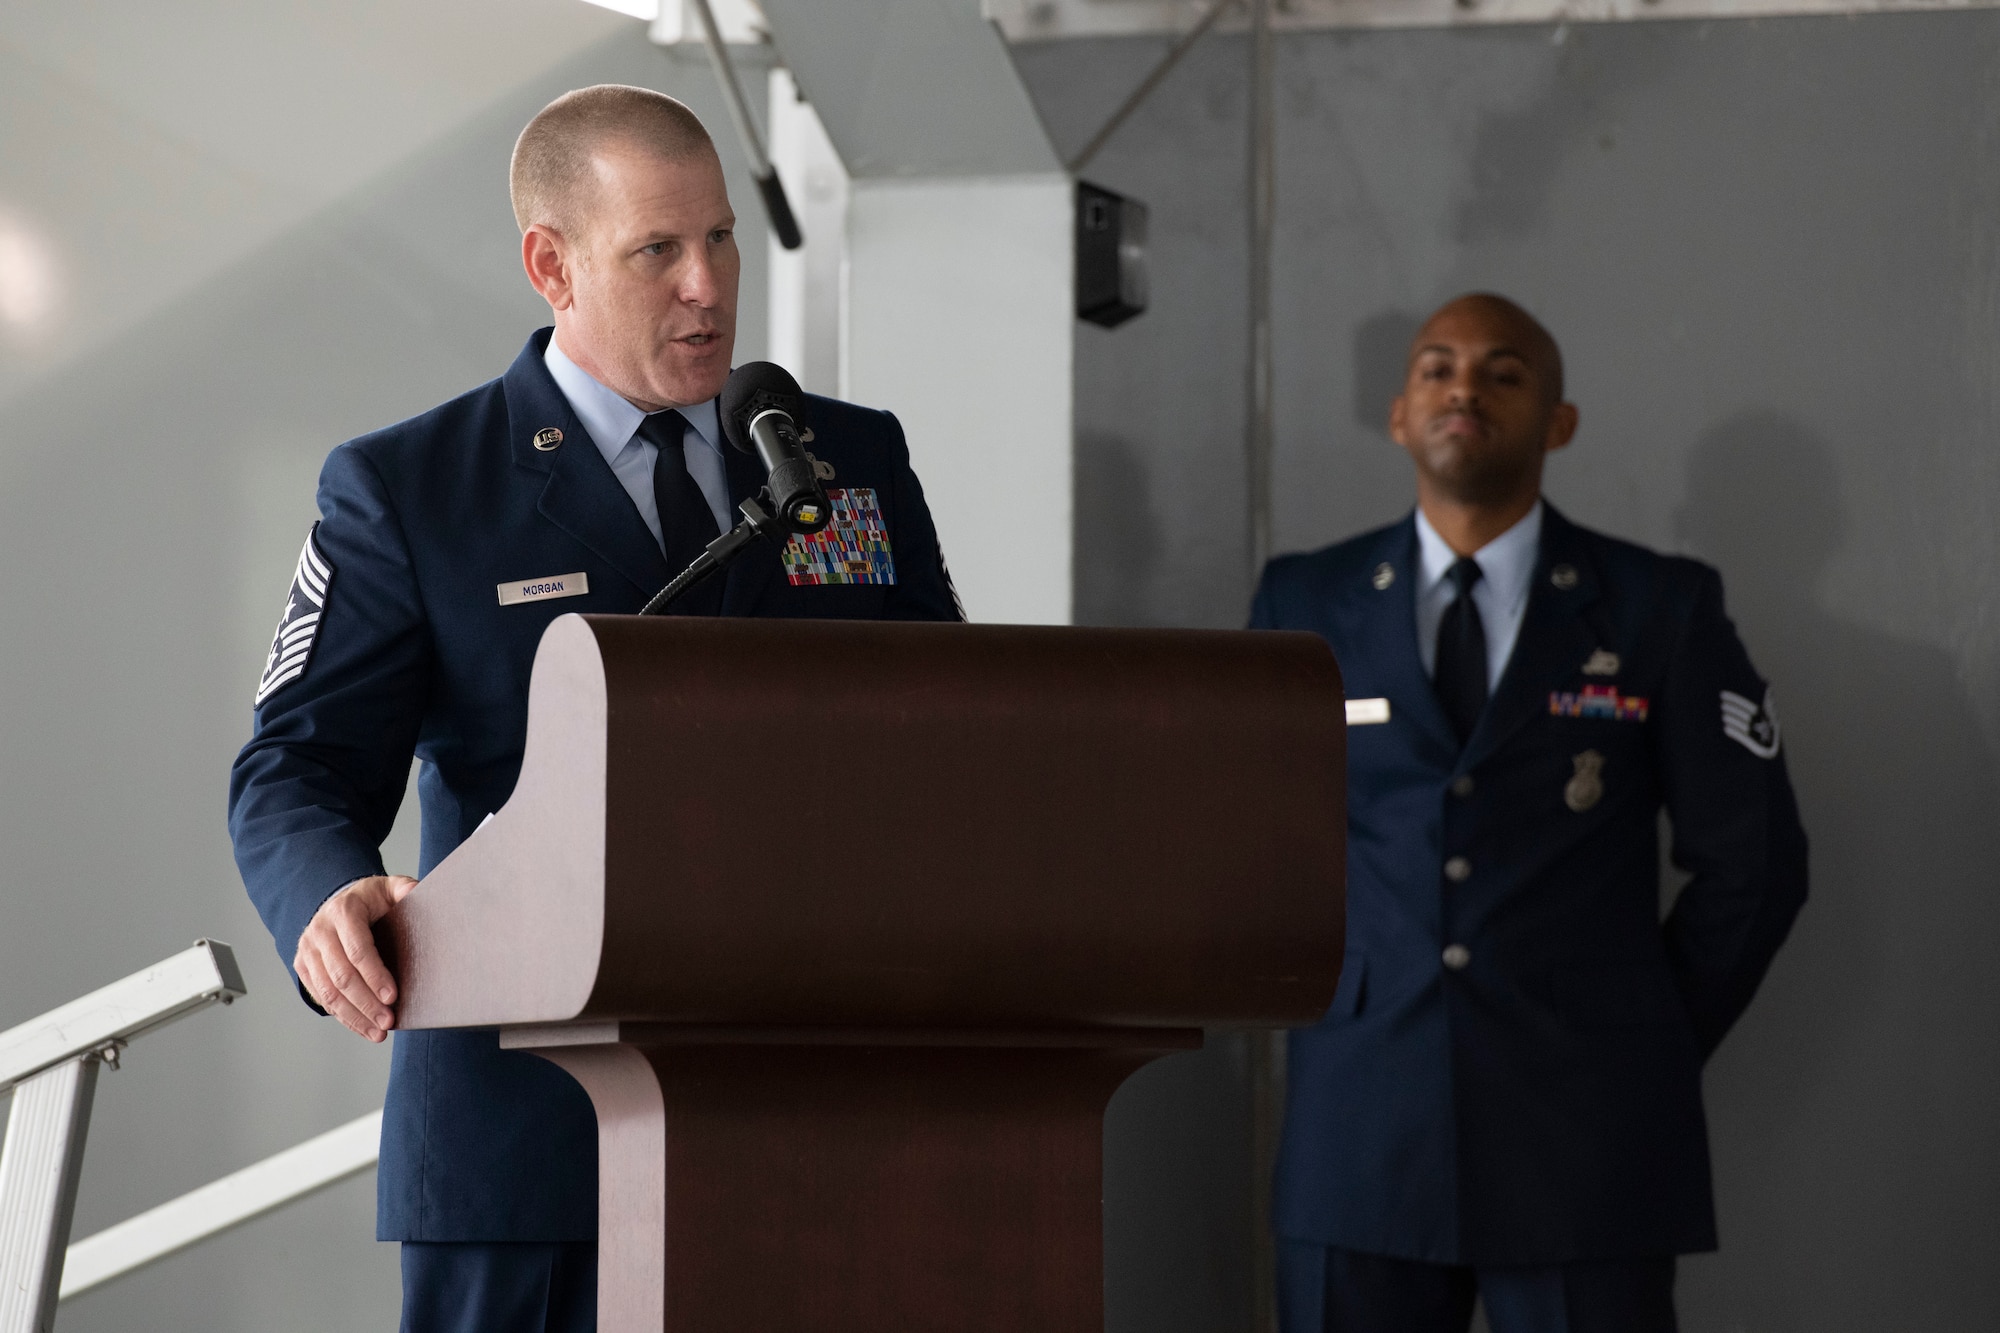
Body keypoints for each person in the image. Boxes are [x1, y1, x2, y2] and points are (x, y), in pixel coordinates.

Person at [228, 85, 961, 1332]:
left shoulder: (838, 460)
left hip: (803, 1115)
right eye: (658, 250)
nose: (707, 286)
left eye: (721, 238)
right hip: (525, 1146)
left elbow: (946, 726)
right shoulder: (413, 488)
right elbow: (295, 765)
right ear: (550, 265)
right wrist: (324, 900)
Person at [1251, 293, 1807, 1333]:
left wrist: (1638, 1037)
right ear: (1397, 413)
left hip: (1584, 1135)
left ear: (1557, 421)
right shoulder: (1301, 599)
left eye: (1502, 372)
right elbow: (1256, 845)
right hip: (1361, 1126)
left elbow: (1756, 863)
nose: (1463, 387)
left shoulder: (1658, 604)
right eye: (1435, 368)